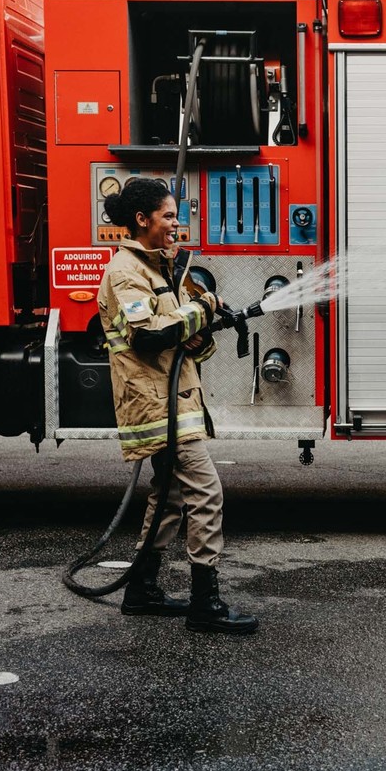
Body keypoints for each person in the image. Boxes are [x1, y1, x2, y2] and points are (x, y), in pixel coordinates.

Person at [97, 177, 258, 635]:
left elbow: (181, 339)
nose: (176, 224)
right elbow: (148, 335)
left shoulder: (163, 269)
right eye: (168, 216)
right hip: (154, 405)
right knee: (205, 492)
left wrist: (204, 329)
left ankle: (141, 590)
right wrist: (202, 311)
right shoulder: (127, 272)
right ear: (142, 220)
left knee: (168, 496)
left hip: (174, 401)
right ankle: (205, 603)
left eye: (176, 215)